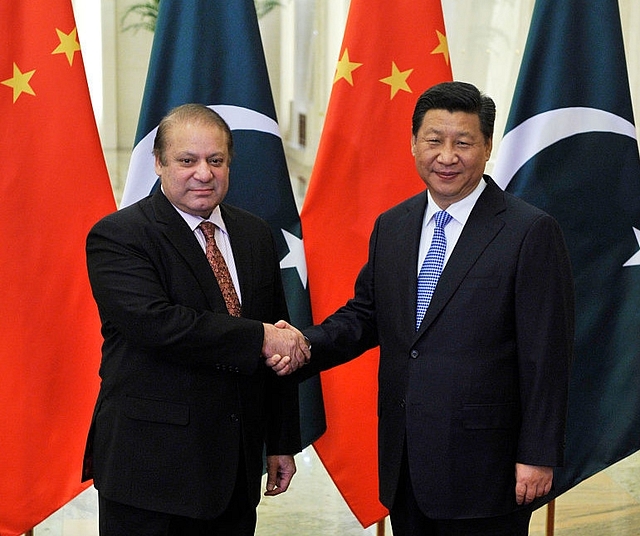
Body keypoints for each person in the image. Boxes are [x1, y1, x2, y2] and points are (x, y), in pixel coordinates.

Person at [279, 81, 575, 535]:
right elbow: (366, 317)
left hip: (488, 471)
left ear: (487, 146)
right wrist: (303, 343)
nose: (447, 156)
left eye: (464, 142)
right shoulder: (393, 225)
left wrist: (536, 455)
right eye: (434, 140)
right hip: (407, 464)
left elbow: (546, 355)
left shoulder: (529, 231)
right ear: (413, 142)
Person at [82, 103, 310, 536]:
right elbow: (158, 325)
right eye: (187, 160)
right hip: (150, 473)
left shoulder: (255, 234)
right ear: (159, 164)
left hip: (234, 472)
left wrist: (281, 442)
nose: (203, 173)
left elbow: (278, 337)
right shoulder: (119, 236)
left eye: (216, 160)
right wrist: (259, 337)